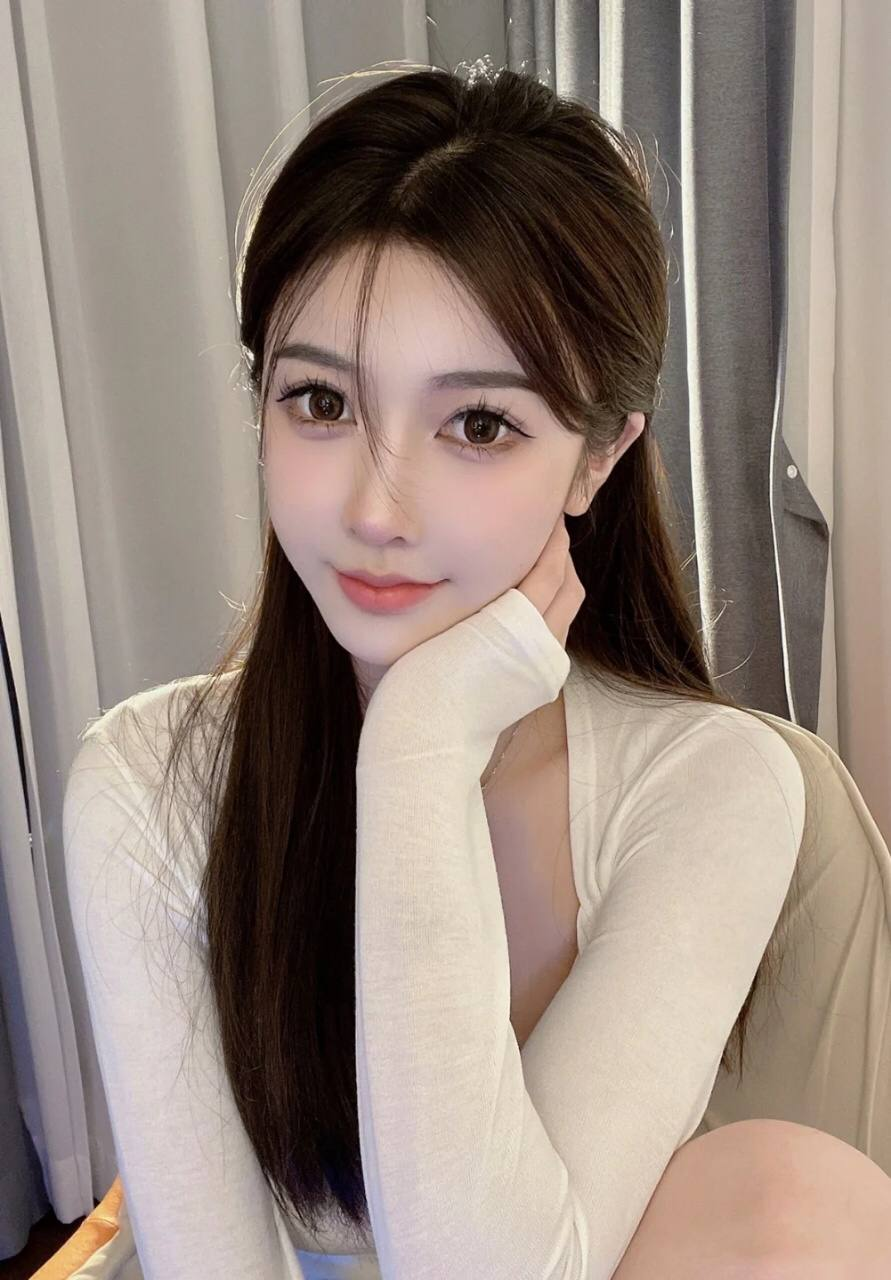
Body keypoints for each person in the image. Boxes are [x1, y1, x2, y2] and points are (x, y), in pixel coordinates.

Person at [66, 63, 851, 1279]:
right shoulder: (148, 782)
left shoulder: (714, 784)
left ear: (597, 459)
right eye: (319, 400)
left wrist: (419, 746)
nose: (377, 509)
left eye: (478, 424)